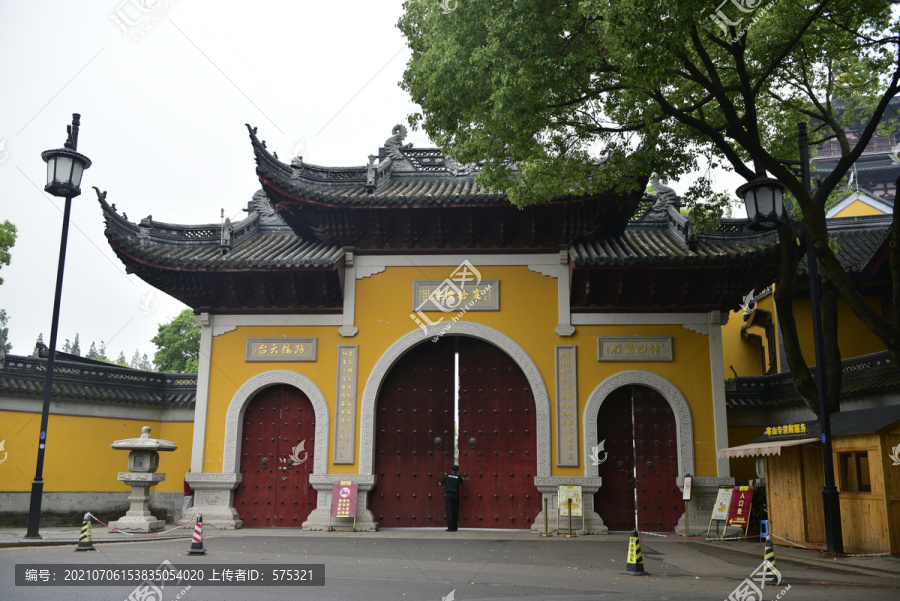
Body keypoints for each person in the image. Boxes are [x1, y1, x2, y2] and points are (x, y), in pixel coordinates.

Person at [439, 465, 462, 532]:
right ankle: (455, 527)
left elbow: (440, 483)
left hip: (448, 495)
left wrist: (444, 487)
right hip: (455, 495)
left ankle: (450, 528)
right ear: (457, 470)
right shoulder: (458, 477)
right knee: (455, 511)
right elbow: (460, 483)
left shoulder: (447, 476)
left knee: (449, 511)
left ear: (451, 469)